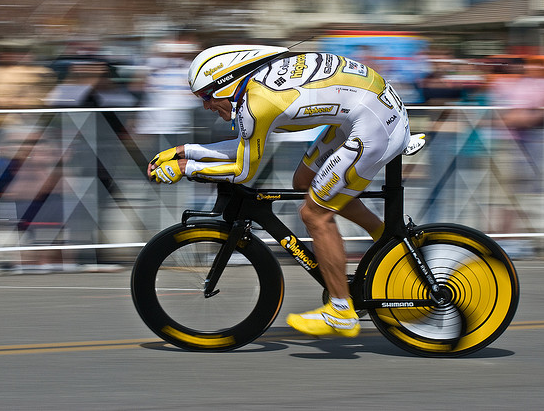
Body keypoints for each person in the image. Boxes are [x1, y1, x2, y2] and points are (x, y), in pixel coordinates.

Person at [146, 44, 412, 338]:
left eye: (207, 97)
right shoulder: (256, 88)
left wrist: (186, 168)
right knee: (304, 183)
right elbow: (245, 148)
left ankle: (341, 312)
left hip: (375, 125)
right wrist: (185, 151)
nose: (206, 106)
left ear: (226, 82)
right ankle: (386, 240)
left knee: (314, 214)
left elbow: (243, 171)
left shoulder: (257, 104)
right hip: (368, 111)